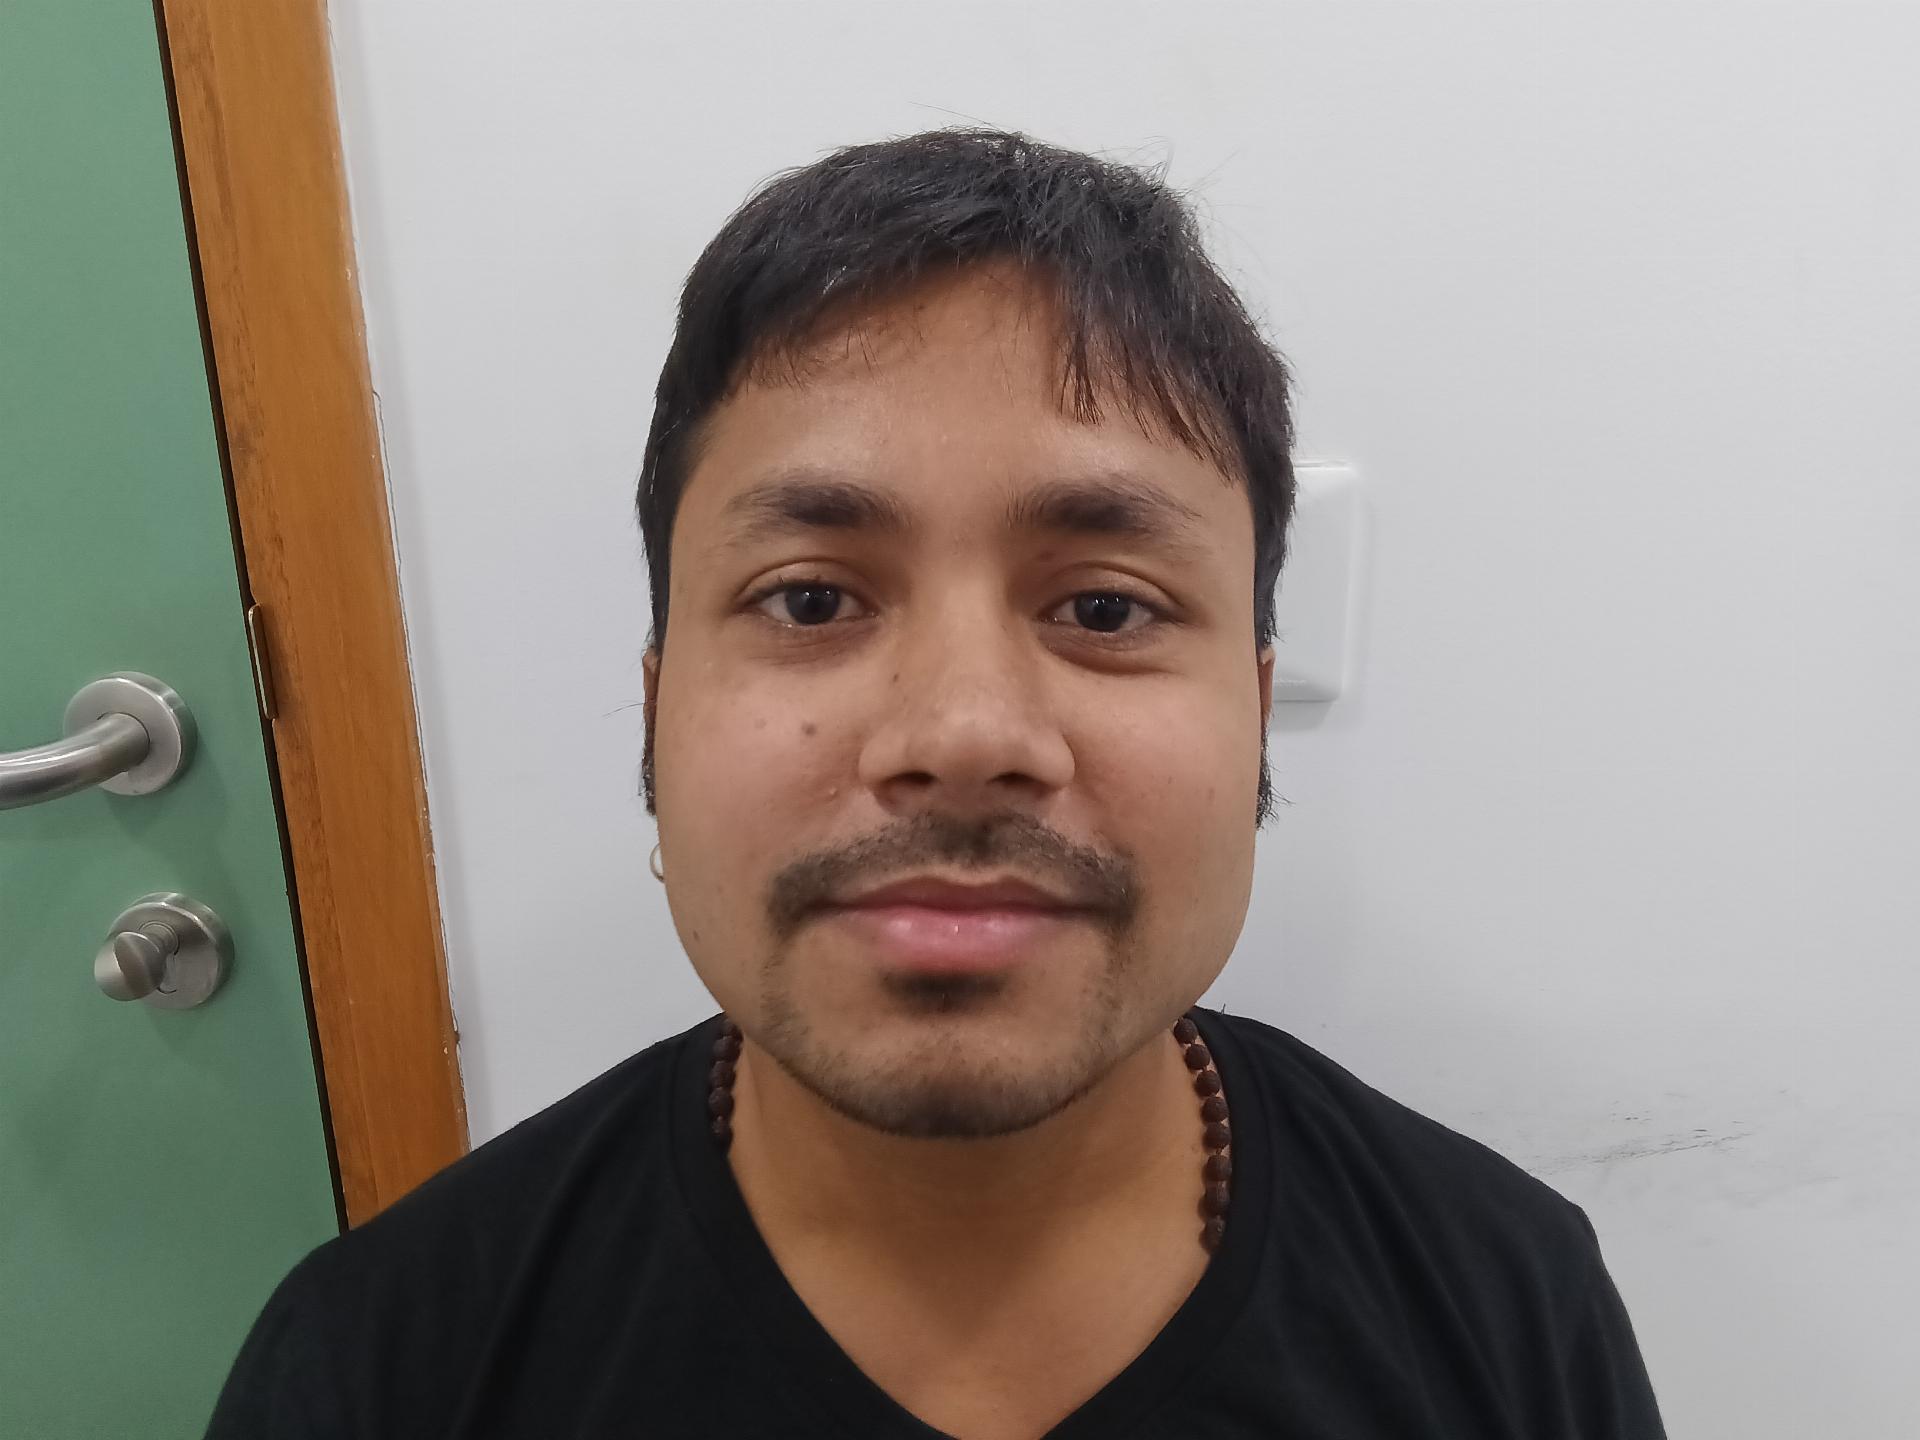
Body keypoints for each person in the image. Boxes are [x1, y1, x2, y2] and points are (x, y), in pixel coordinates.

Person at [206, 126, 1666, 1439]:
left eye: (1105, 607)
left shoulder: (1502, 1309)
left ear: (1258, 713)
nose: (965, 732)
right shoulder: (384, 1367)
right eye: (811, 600)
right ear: (656, 711)